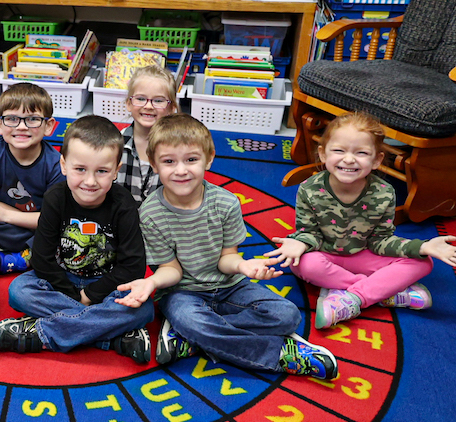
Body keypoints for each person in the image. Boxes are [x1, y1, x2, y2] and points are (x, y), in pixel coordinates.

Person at [130, 113, 338, 380]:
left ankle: (190, 336)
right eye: (169, 161)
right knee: (193, 319)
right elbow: (172, 271)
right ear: (154, 164)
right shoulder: (150, 213)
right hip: (182, 293)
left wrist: (243, 265)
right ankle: (278, 355)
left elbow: (226, 258)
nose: (181, 170)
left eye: (191, 160)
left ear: (209, 157)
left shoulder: (226, 202)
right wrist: (153, 282)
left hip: (230, 285)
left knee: (287, 316)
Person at [265, 112, 456, 329]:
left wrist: (423, 246)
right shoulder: (309, 189)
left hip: (364, 254)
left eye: (362, 153)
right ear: (323, 154)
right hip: (324, 254)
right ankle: (385, 292)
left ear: (376, 160)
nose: (348, 159)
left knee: (423, 261)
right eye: (338, 150)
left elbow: (380, 241)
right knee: (304, 264)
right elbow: (310, 232)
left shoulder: (384, 193)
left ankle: (352, 299)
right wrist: (300, 241)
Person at [0, 115, 152, 362]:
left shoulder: (124, 204)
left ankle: (41, 332)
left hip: (107, 284)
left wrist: (91, 295)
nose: (89, 181)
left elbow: (133, 267)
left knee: (145, 308)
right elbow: (41, 258)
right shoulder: (56, 197)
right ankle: (110, 336)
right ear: (64, 165)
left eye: (102, 171)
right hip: (61, 281)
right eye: (80, 169)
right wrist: (76, 297)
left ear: (116, 171)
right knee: (18, 291)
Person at [0, 83, 65, 275]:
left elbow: (52, 219)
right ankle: (14, 255)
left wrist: (7, 215)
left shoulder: (55, 164)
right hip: (4, 226)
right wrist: (3, 216)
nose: (22, 127)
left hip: (38, 228)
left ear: (49, 126)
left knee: (64, 231)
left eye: (33, 119)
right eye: (12, 119)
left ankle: (21, 258)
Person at [116, 65, 178, 203]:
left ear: (172, 108)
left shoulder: (178, 149)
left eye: (158, 101)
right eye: (141, 99)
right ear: (129, 103)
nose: (149, 106)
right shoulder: (114, 143)